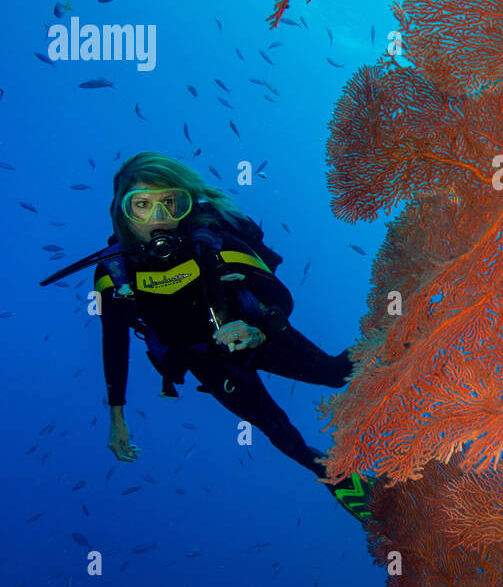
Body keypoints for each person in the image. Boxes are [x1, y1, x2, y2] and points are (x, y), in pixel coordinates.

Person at [76, 152, 374, 523]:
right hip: (206, 360)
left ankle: (405, 335)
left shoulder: (212, 240)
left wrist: (258, 330)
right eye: (142, 206)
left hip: (258, 331)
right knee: (277, 429)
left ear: (185, 203)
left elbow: (280, 296)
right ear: (122, 213)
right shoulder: (113, 272)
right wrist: (116, 416)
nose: (160, 218)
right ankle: (337, 478)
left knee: (334, 373)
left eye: (170, 202)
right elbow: (114, 341)